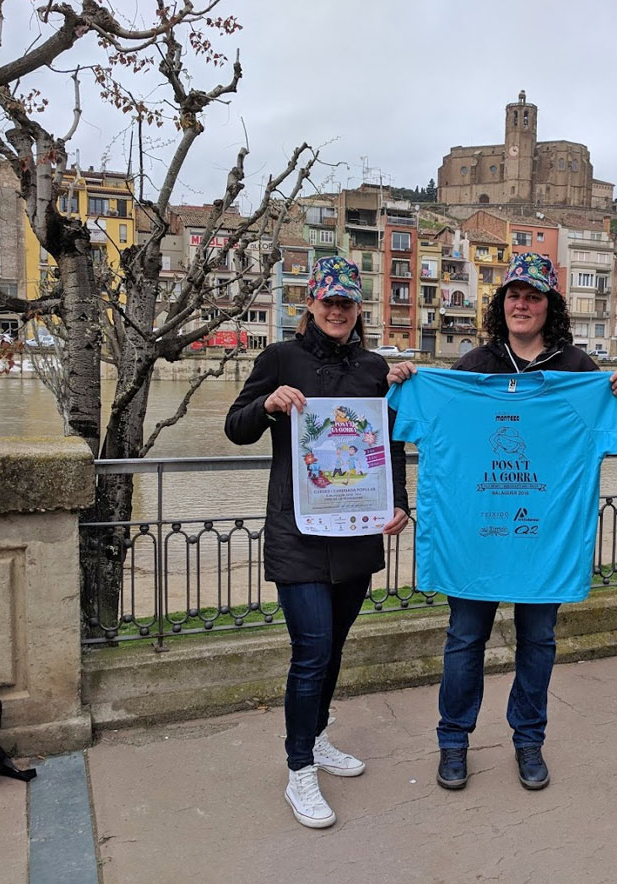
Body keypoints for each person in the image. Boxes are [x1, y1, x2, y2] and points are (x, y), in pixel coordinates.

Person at [387, 251, 617, 792]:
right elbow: (409, 424)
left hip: (542, 539)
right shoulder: (471, 367)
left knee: (538, 641)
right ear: (502, 304)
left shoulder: (579, 372)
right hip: (474, 538)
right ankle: (453, 740)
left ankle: (528, 740)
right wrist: (407, 381)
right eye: (514, 296)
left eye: (533, 297)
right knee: (464, 639)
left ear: (550, 306)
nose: (522, 305)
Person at [225, 256, 409, 829]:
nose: (337, 310)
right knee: (311, 651)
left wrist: (399, 502)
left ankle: (318, 735)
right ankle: (299, 768)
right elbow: (235, 427)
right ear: (310, 304)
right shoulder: (280, 359)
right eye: (328, 301)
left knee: (334, 648)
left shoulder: (375, 368)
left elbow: (390, 443)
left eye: (346, 302)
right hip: (298, 533)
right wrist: (267, 404)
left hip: (354, 533)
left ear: (357, 309)